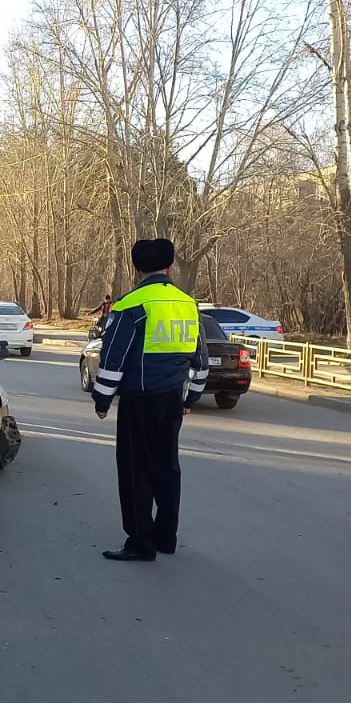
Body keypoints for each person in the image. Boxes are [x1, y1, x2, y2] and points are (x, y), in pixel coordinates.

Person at [90, 239, 207, 562]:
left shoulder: (131, 304)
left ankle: (141, 542)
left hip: (139, 400)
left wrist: (102, 399)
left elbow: (114, 357)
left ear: (136, 269)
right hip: (172, 399)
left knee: (134, 470)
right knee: (167, 467)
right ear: (169, 267)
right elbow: (200, 357)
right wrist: (192, 396)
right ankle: (166, 536)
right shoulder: (187, 303)